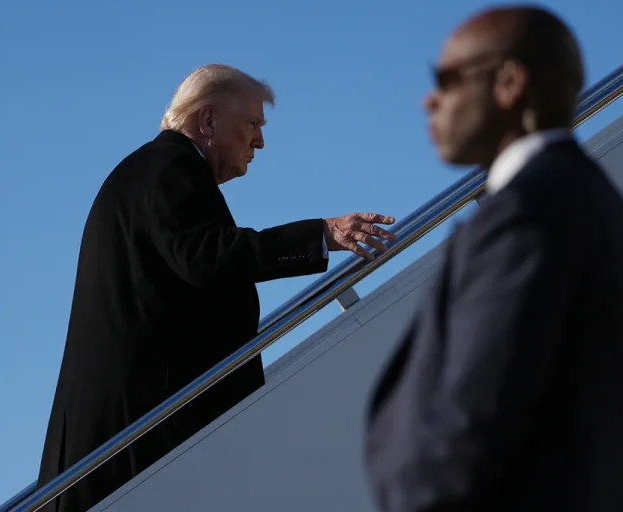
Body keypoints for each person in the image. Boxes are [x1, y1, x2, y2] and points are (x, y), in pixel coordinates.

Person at [37, 64, 398, 512]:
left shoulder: (154, 169)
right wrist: (319, 234)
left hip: (125, 436)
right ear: (207, 121)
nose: (260, 142)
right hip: (139, 439)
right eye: (252, 124)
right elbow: (207, 256)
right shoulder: (170, 166)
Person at [364, 6, 623, 511]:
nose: (429, 99)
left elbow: (467, 430)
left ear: (509, 83)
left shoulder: (529, 216)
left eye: (446, 79)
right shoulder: (609, 214)